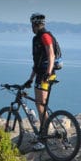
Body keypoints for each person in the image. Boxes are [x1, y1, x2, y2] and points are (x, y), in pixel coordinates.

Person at [24, 12, 57, 150]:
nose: (31, 27)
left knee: (40, 105)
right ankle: (46, 133)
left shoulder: (44, 36)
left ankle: (43, 139)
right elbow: (37, 63)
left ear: (35, 24)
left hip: (46, 74)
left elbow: (51, 54)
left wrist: (48, 73)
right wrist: (30, 79)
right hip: (41, 73)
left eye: (32, 24)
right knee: (40, 105)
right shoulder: (36, 38)